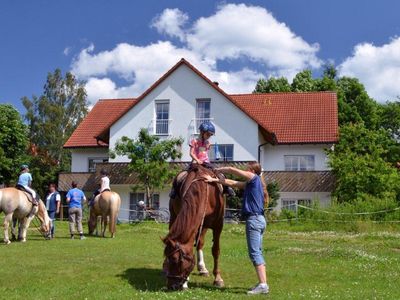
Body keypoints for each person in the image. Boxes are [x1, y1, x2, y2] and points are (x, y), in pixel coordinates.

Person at [205, 162, 269, 295]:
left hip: (254, 220)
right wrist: (214, 180)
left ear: (252, 170)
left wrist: (217, 169)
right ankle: (262, 283)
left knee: (255, 253)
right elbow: (233, 183)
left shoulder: (253, 178)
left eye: (247, 168)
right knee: (258, 252)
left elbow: (232, 170)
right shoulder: (252, 184)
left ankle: (263, 285)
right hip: (260, 220)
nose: (245, 170)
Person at [169, 121, 234, 198]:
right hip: (195, 162)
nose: (209, 136)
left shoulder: (207, 143)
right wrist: (197, 160)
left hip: (206, 162)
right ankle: (174, 190)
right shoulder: (194, 141)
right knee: (181, 174)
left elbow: (204, 153)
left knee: (219, 173)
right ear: (202, 132)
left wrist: (205, 161)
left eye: (210, 135)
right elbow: (191, 153)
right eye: (208, 134)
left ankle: (227, 188)